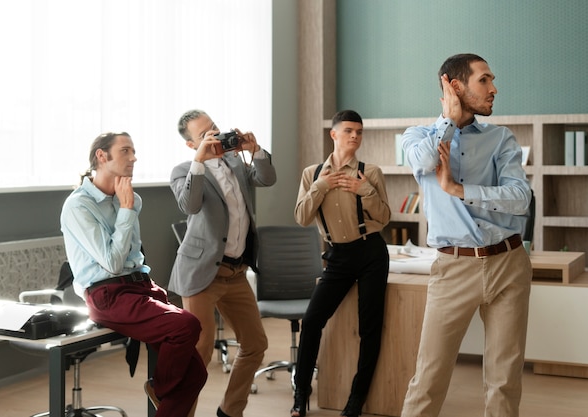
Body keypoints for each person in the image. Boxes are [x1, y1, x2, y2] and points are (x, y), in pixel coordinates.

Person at [400, 54, 533, 417]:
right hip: (453, 268)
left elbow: (521, 198)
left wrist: (460, 190)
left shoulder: (500, 138)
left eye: (491, 80)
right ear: (455, 86)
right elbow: (424, 163)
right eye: (484, 80)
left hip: (509, 264)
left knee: (504, 380)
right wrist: (448, 119)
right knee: (429, 378)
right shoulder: (418, 136)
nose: (494, 89)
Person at [60, 132, 207, 417]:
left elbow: (132, 256)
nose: (134, 158)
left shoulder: (129, 198)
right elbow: (113, 264)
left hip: (140, 287)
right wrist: (126, 210)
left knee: (197, 375)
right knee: (185, 325)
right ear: (102, 157)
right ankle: (161, 388)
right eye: (125, 151)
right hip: (107, 295)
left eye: (134, 151)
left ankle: (162, 390)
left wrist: (127, 206)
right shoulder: (79, 206)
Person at [169, 109, 277, 417]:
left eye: (214, 128)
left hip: (236, 271)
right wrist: (200, 162)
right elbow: (189, 204)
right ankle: (179, 412)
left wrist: (254, 150)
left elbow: (267, 178)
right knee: (200, 351)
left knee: (255, 344)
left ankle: (230, 411)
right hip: (202, 273)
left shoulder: (235, 162)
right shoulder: (183, 170)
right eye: (205, 135)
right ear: (192, 144)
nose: (214, 136)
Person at [293, 109, 391, 417]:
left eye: (359, 132)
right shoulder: (312, 173)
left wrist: (365, 191)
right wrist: (321, 186)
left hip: (371, 252)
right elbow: (301, 217)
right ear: (333, 134)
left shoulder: (369, 172)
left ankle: (356, 399)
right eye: (348, 130)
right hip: (337, 256)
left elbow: (385, 217)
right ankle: (301, 395)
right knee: (311, 322)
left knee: (369, 328)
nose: (355, 136)